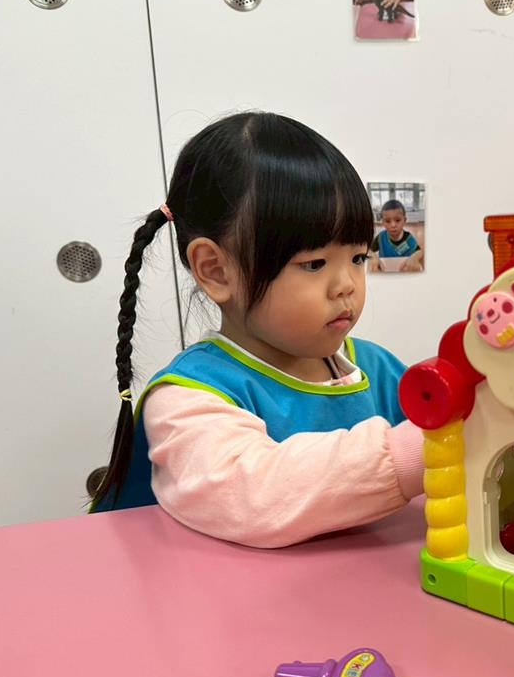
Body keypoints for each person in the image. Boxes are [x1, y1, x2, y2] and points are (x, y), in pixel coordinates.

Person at [89, 112, 425, 549]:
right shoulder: (188, 399)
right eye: (314, 264)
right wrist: (419, 450)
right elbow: (256, 495)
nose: (346, 285)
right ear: (216, 270)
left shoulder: (377, 369)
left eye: (358, 258)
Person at [369, 199, 423, 272]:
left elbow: (419, 252)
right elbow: (369, 250)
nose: (393, 225)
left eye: (397, 220)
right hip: (385, 272)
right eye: (388, 221)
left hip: (404, 273)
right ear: (383, 223)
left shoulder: (409, 238)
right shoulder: (381, 237)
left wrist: (414, 258)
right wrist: (373, 257)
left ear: (404, 221)